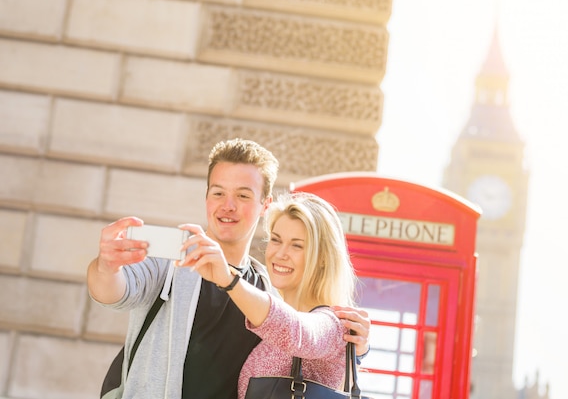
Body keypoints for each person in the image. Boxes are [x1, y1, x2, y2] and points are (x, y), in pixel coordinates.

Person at [87, 138, 370, 399]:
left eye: (243, 196)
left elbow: (303, 334)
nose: (228, 206)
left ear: (264, 205)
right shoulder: (172, 261)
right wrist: (106, 266)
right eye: (218, 192)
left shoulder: (268, 291)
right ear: (207, 196)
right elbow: (113, 292)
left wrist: (356, 349)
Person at [178, 192, 357, 398]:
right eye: (276, 240)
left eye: (297, 245)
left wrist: (229, 280)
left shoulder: (335, 326)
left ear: (323, 258)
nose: (280, 253)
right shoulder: (270, 321)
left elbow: (296, 332)